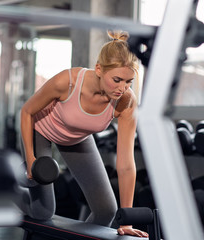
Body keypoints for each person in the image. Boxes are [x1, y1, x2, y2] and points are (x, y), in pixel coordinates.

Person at [19, 30, 148, 238]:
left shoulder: (126, 102)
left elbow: (125, 164)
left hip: (77, 139)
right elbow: (27, 111)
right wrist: (32, 158)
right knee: (42, 211)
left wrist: (127, 221)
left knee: (106, 210)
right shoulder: (67, 82)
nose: (122, 88)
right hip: (40, 130)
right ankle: (10, 186)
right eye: (116, 79)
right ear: (99, 69)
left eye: (128, 82)